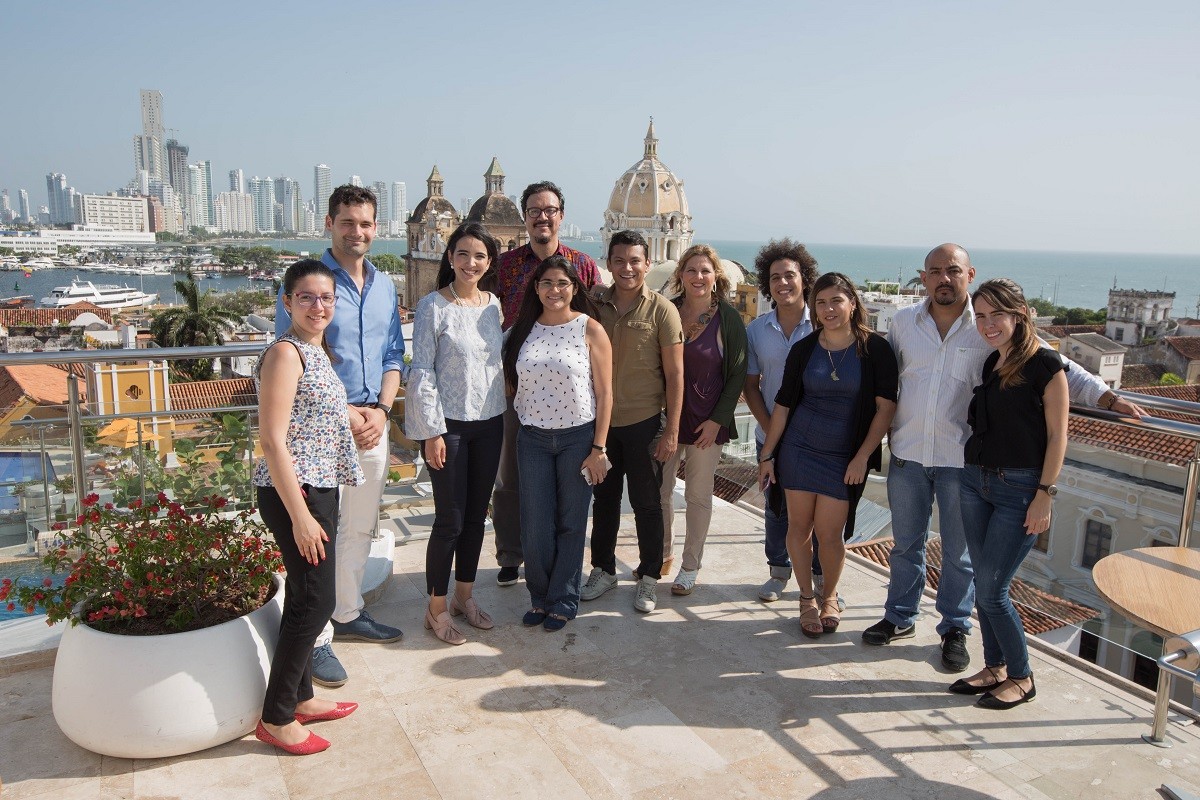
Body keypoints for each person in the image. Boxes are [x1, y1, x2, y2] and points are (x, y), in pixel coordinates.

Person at [862, 243, 1146, 672]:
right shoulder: (902, 323)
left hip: (964, 462)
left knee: (958, 553)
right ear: (923, 278)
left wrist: (1106, 395)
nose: (943, 278)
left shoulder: (985, 326)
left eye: (952, 270)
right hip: (908, 453)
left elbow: (1055, 365)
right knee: (906, 545)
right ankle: (899, 617)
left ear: (969, 274)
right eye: (934, 271)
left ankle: (955, 628)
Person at [275, 185, 406, 687]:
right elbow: (297, 351)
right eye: (348, 222)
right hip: (321, 431)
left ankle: (348, 613)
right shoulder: (312, 283)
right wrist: (350, 412)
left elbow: (395, 353)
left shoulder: (384, 285)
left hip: (374, 424)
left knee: (359, 528)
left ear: (377, 228)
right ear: (329, 224)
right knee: (320, 536)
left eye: (367, 223)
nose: (358, 232)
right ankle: (317, 639)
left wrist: (382, 410)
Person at [254, 260, 364, 755]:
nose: (317, 306)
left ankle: (300, 698)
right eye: (306, 298)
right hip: (294, 492)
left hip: (318, 486)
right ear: (286, 302)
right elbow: (273, 441)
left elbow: (313, 414)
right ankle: (276, 718)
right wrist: (300, 515)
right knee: (317, 600)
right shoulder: (285, 353)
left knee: (305, 594)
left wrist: (355, 413)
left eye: (325, 298)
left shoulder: (316, 352)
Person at [949, 278, 1067, 709]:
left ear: (1020, 314)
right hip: (975, 481)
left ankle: (1022, 676)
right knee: (982, 585)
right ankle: (995, 667)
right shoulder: (991, 364)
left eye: (996, 314)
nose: (987, 324)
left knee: (994, 590)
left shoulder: (1046, 366)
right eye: (980, 316)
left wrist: (1045, 494)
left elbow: (1057, 437)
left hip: (1019, 489)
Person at [758, 273, 897, 636]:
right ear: (814, 308)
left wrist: (862, 457)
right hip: (798, 451)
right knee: (799, 528)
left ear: (852, 303)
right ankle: (806, 598)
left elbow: (885, 408)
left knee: (831, 535)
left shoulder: (875, 350)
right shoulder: (804, 349)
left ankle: (830, 595)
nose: (829, 309)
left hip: (844, 455)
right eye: (821, 302)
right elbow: (783, 405)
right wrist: (768, 455)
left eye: (836, 300)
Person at [492, 181, 602, 587]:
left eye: (550, 210)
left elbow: (597, 323)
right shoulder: (505, 267)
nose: (543, 216)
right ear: (525, 217)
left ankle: (560, 562)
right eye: (535, 210)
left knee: (567, 487)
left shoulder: (582, 265)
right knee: (511, 479)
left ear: (561, 215)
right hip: (516, 389)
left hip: (572, 397)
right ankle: (511, 554)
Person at [406, 222, 506, 645]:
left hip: (491, 421)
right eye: (463, 254)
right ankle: (437, 608)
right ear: (450, 257)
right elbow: (422, 370)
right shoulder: (433, 306)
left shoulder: (493, 305)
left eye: (480, 256)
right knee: (449, 519)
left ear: (489, 262)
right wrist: (432, 432)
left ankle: (465, 596)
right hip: (449, 428)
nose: (471, 263)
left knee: (476, 518)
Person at [503, 254, 613, 631]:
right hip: (531, 438)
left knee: (571, 521)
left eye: (562, 283)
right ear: (536, 288)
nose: (555, 290)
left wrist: (598, 449)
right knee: (535, 524)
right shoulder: (522, 330)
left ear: (574, 288)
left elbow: (605, 393)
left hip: (578, 438)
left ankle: (564, 598)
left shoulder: (590, 329)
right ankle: (539, 597)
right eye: (547, 283)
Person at [581, 229, 683, 614]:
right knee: (604, 500)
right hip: (601, 425)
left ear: (647, 264)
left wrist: (671, 431)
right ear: (608, 263)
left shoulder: (662, 310)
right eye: (619, 260)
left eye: (635, 261)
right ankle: (603, 570)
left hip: (643, 423)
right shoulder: (593, 305)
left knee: (647, 503)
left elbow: (676, 376)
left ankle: (650, 577)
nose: (627, 268)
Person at [658, 244, 747, 595]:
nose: (698, 276)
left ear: (716, 276)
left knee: (697, 496)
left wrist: (717, 420)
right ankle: (661, 553)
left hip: (707, 424)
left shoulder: (728, 319)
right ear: (681, 275)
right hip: (667, 422)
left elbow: (738, 373)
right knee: (660, 492)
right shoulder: (666, 312)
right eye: (691, 270)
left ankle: (690, 566)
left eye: (705, 270)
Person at [743, 239, 819, 602]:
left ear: (804, 278)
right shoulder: (757, 330)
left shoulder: (823, 325)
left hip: (819, 438)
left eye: (790, 275)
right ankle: (778, 571)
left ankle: (820, 577)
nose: (783, 283)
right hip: (770, 436)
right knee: (776, 508)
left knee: (820, 512)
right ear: (766, 283)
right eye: (775, 277)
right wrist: (771, 428)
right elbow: (751, 384)